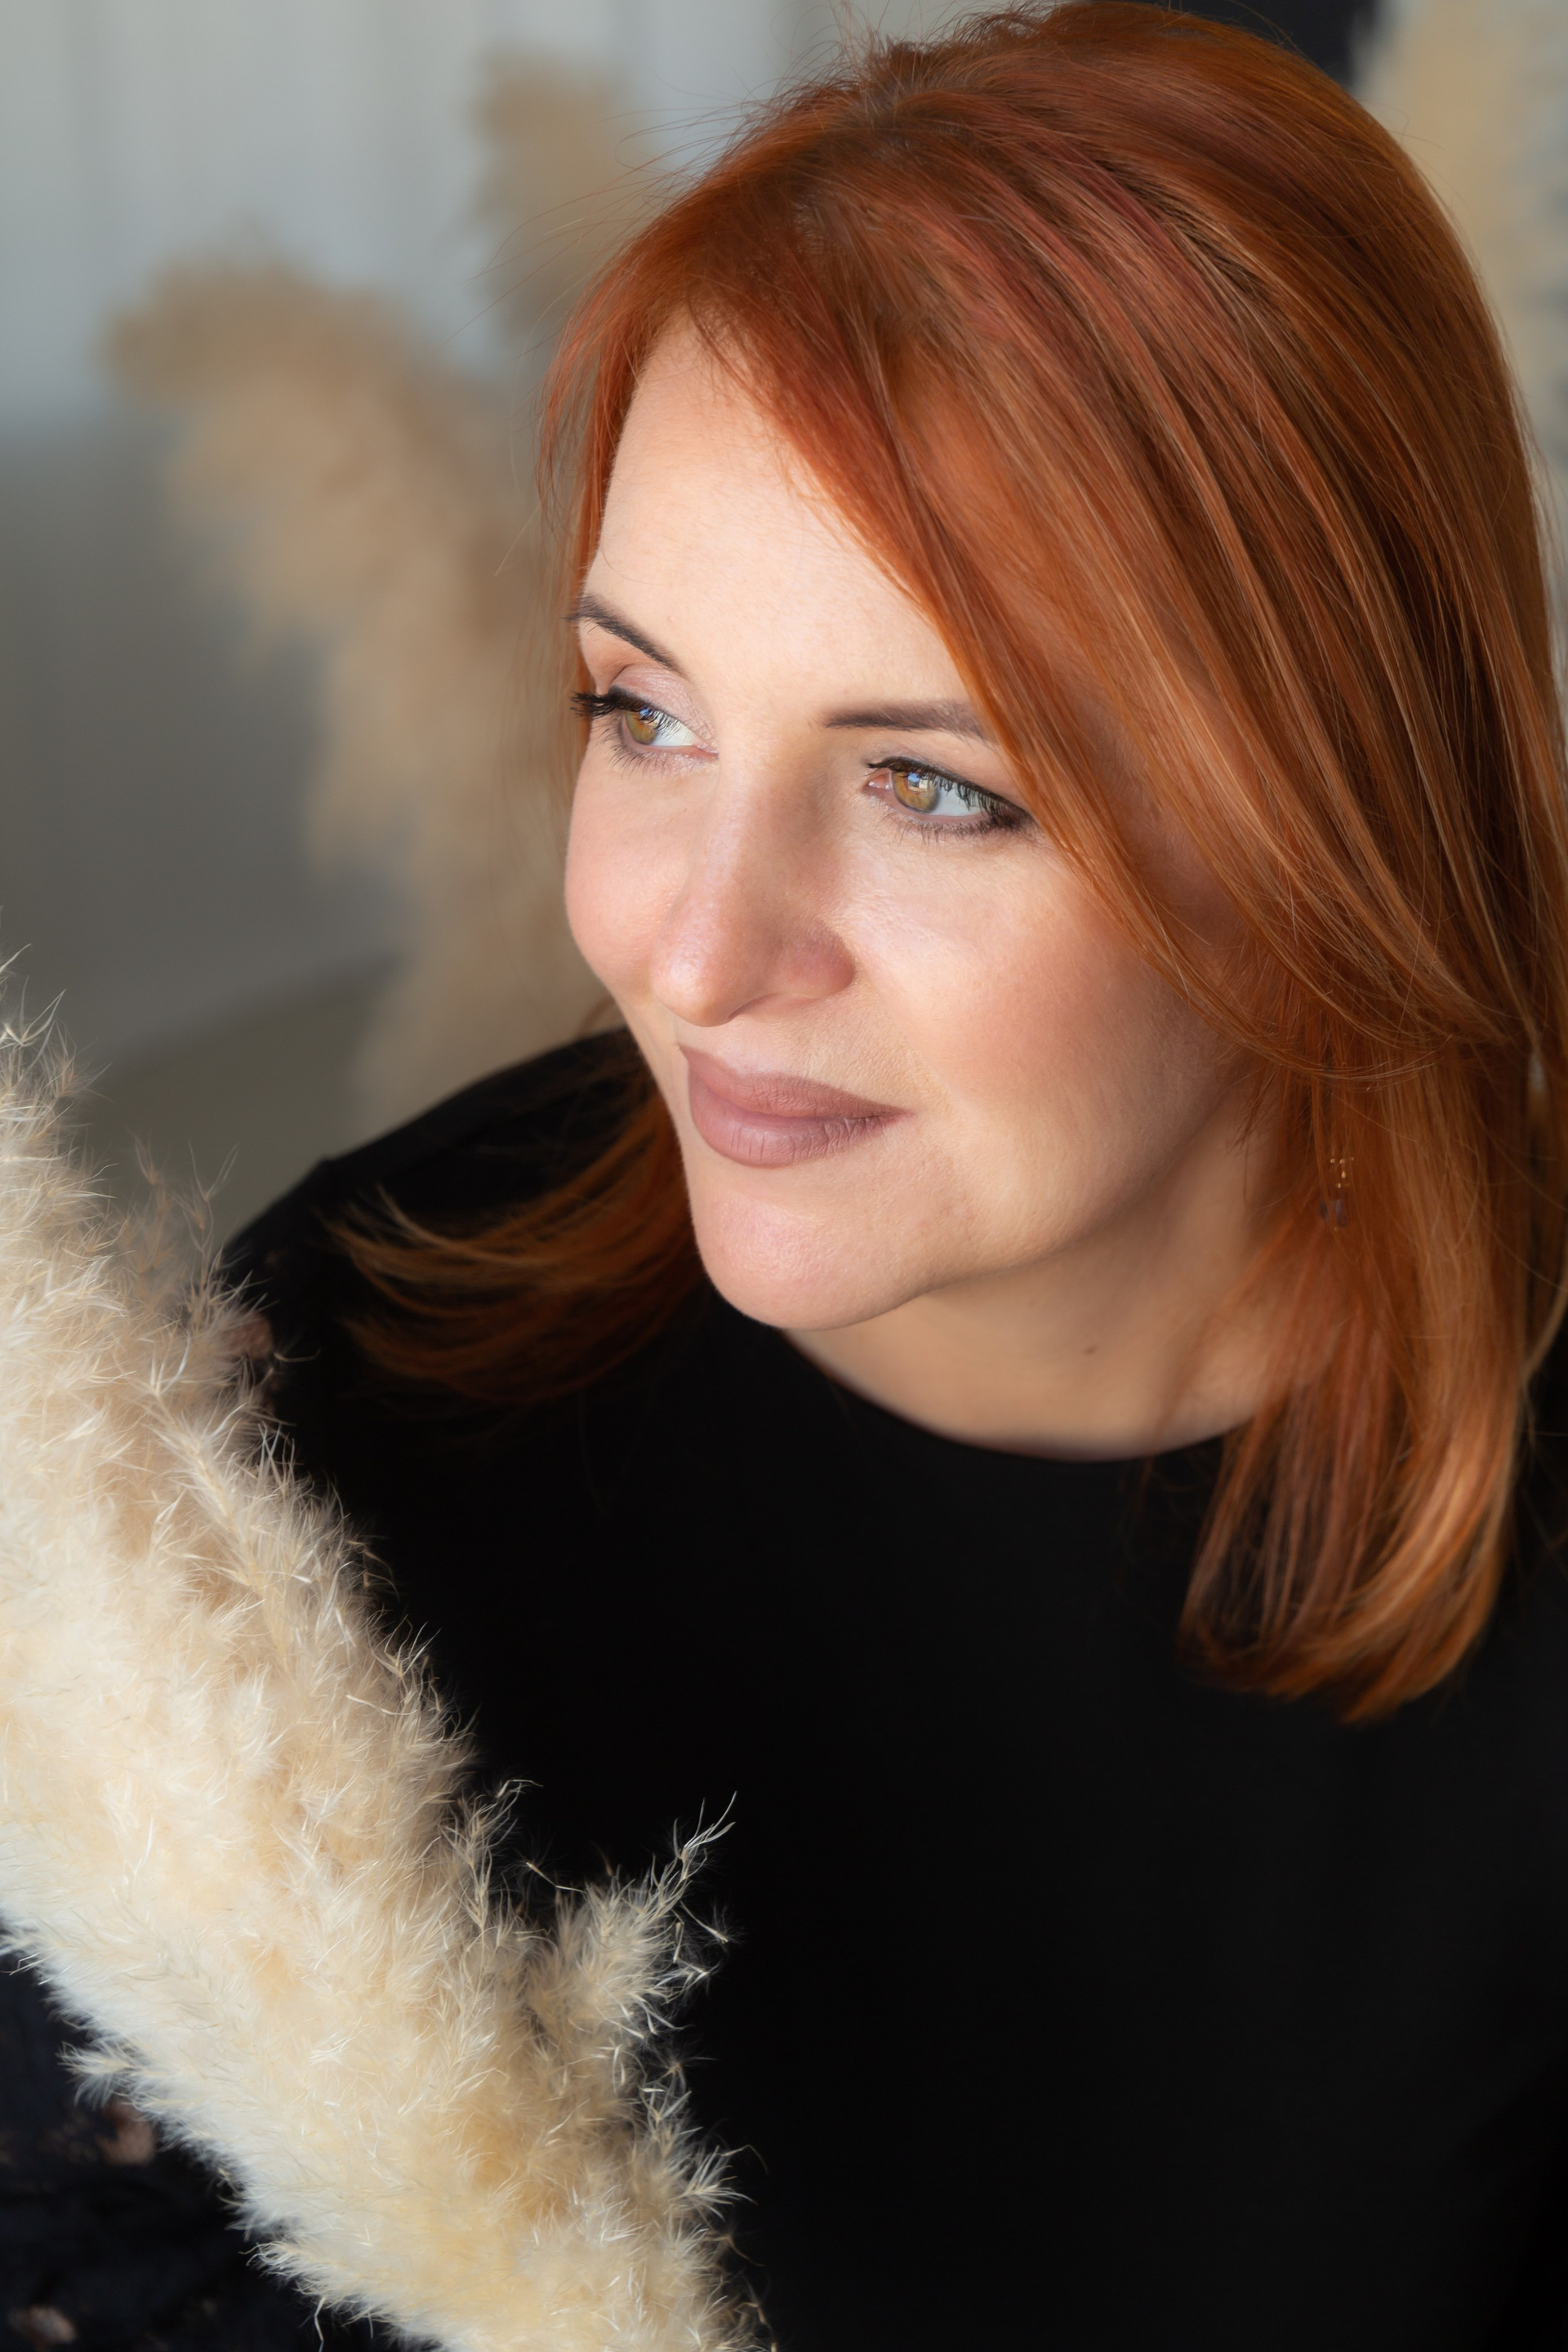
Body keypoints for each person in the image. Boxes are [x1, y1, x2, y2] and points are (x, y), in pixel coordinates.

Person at [4, 5, 1568, 2346]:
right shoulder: (307, 1445)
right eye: (641, 713)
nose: (691, 949)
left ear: (1335, 826)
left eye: (936, 784)